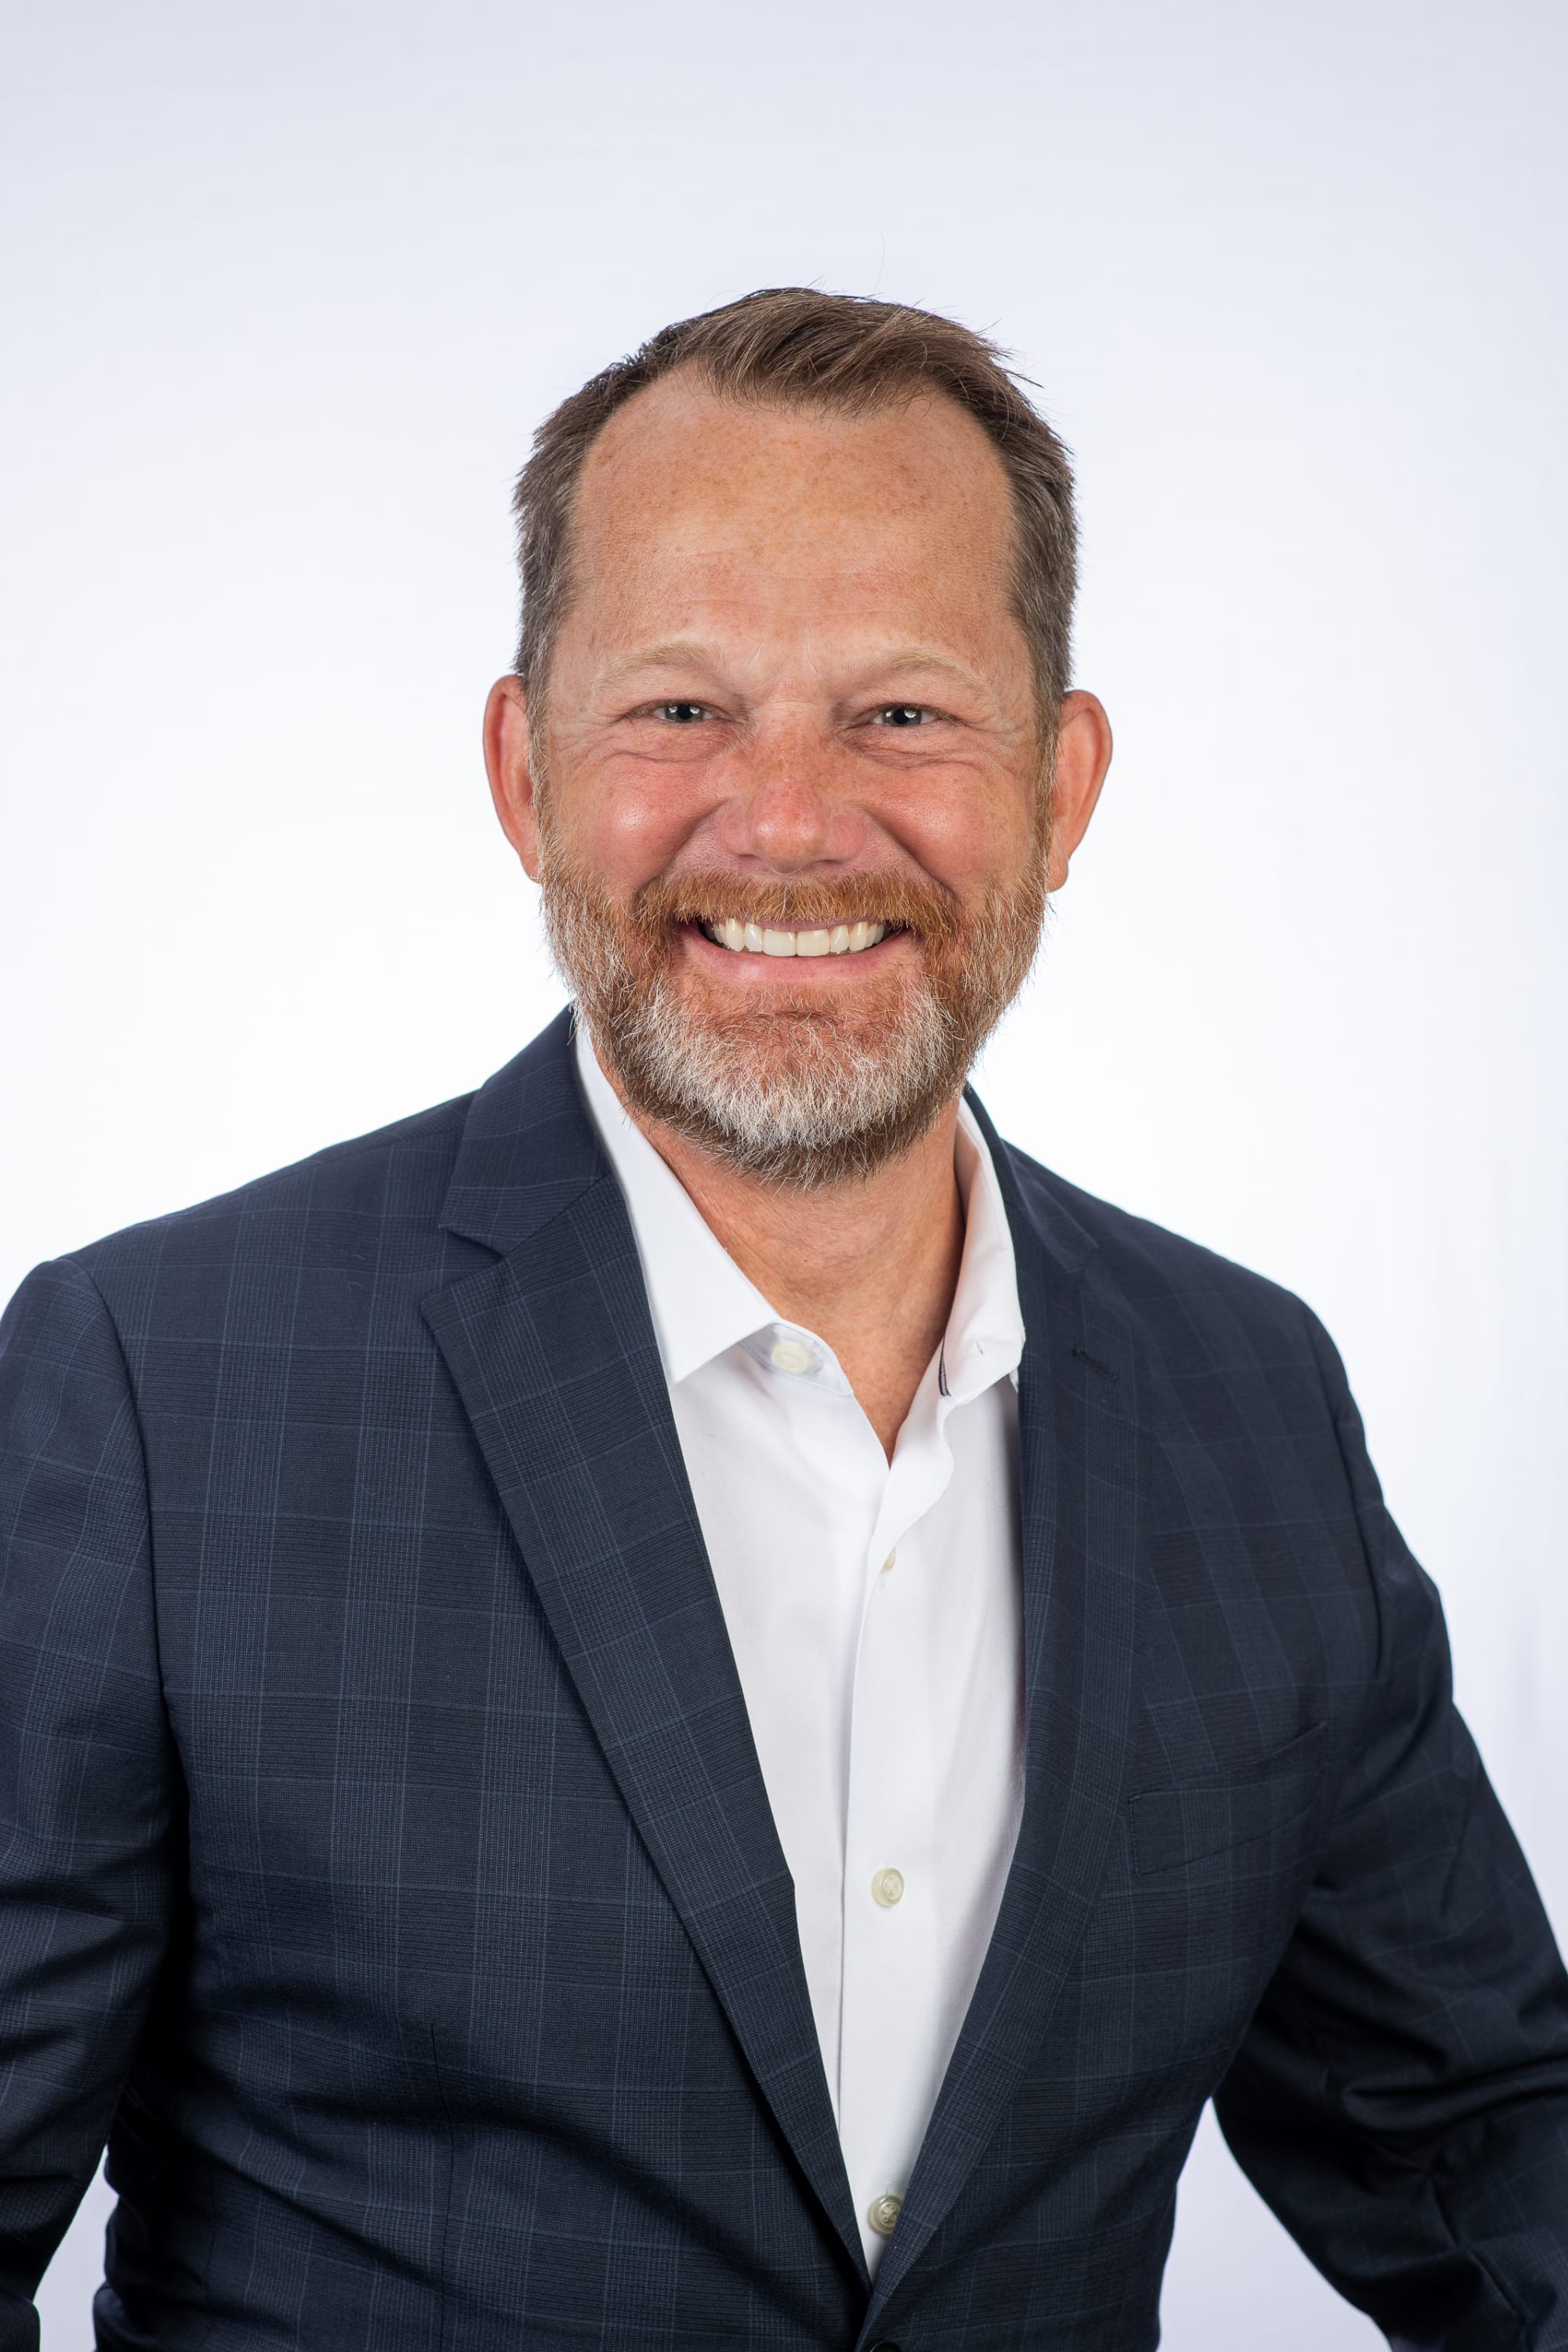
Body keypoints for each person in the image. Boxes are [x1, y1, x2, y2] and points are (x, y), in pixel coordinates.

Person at [2, 288, 1565, 2352]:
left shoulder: (1244, 1401)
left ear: (1064, 784)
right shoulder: (154, 1387)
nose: (797, 819)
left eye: (903, 713)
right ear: (524, 771)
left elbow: (1476, 2152)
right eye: (678, 712)